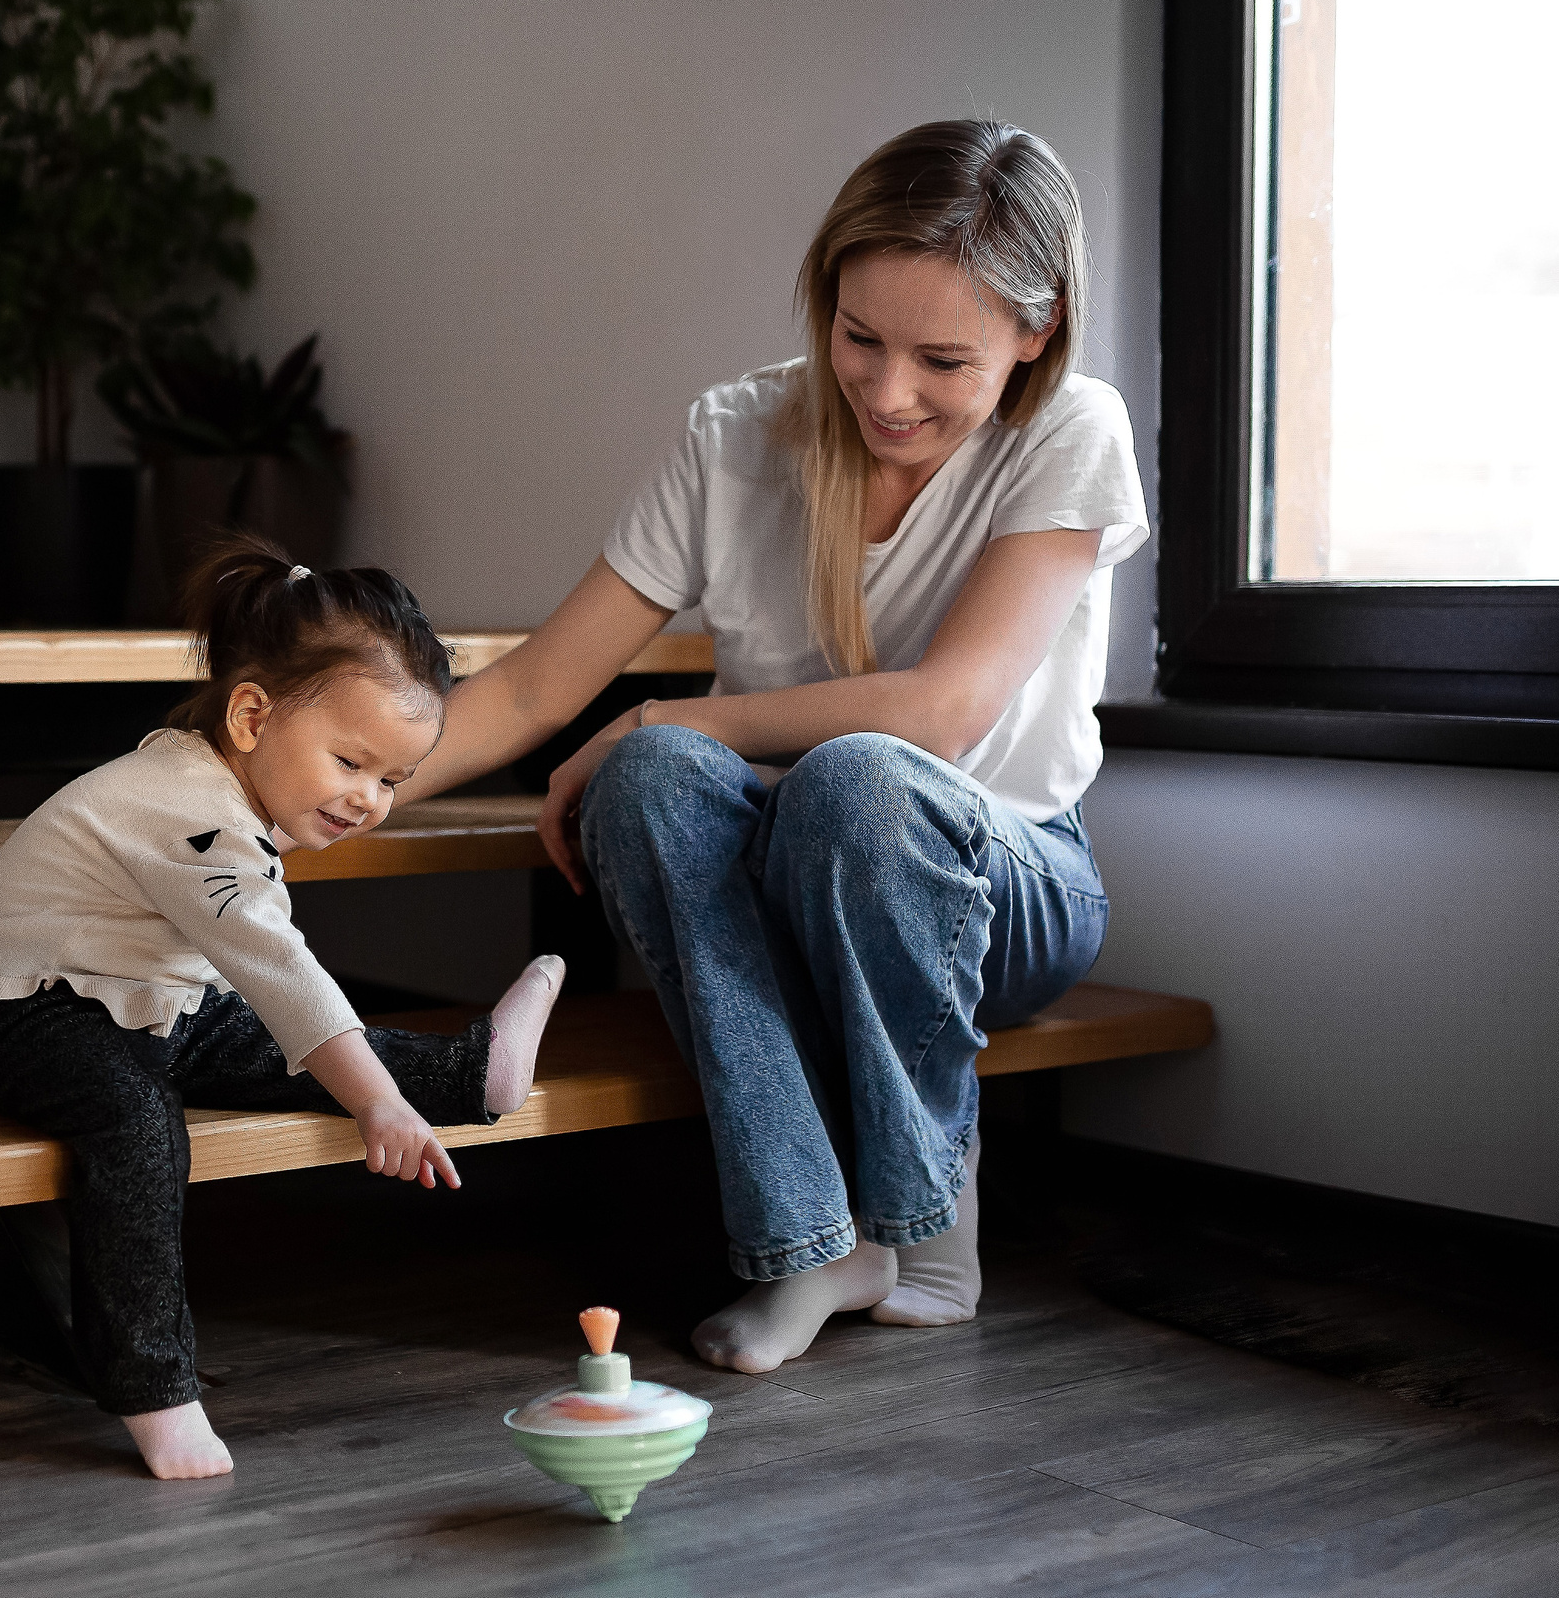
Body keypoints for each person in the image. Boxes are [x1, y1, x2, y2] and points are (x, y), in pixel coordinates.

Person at [398, 119, 1147, 1375]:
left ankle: (928, 1223)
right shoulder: (735, 433)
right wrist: (302, 797)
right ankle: (814, 1244)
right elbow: (534, 686)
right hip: (789, 873)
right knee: (647, 783)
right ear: (824, 299)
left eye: (943, 359)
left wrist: (666, 712)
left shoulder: (1072, 431)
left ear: (1036, 328)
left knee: (854, 782)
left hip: (1001, 879)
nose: (889, 392)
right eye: (860, 338)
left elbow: (941, 713)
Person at [0, 539, 567, 1479]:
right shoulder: (192, 810)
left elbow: (275, 994)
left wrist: (371, 1088)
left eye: (391, 778)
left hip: (141, 1000)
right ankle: (152, 1384)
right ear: (251, 714)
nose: (368, 799)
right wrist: (372, 1104)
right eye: (350, 760)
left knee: (258, 1041)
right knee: (138, 1120)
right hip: (25, 1010)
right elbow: (281, 968)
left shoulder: (218, 786)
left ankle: (467, 1070)